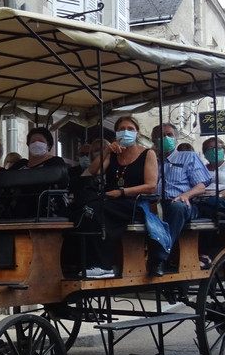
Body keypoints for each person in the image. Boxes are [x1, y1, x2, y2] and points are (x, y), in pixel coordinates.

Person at [66, 116, 158, 278]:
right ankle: (78, 261)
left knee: (97, 210)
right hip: (110, 199)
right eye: (122, 129)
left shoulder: (148, 154)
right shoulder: (114, 153)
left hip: (134, 202)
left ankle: (104, 265)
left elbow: (150, 186)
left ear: (137, 133)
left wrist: (121, 192)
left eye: (130, 129)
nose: (126, 132)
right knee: (81, 211)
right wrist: (107, 150)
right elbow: (95, 171)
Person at [151, 122, 211, 274]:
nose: (165, 138)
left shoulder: (188, 156)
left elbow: (201, 186)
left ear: (176, 138)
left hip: (183, 203)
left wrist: (185, 195)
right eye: (160, 136)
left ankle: (160, 257)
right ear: (154, 140)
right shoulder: (151, 160)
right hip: (155, 203)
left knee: (177, 207)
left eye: (169, 135)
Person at [4, 126, 69, 218]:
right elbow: (6, 177)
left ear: (48, 145)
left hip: (48, 211)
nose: (36, 144)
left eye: (41, 141)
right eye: (33, 142)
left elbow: (61, 181)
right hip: (19, 212)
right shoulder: (21, 164)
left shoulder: (55, 162)